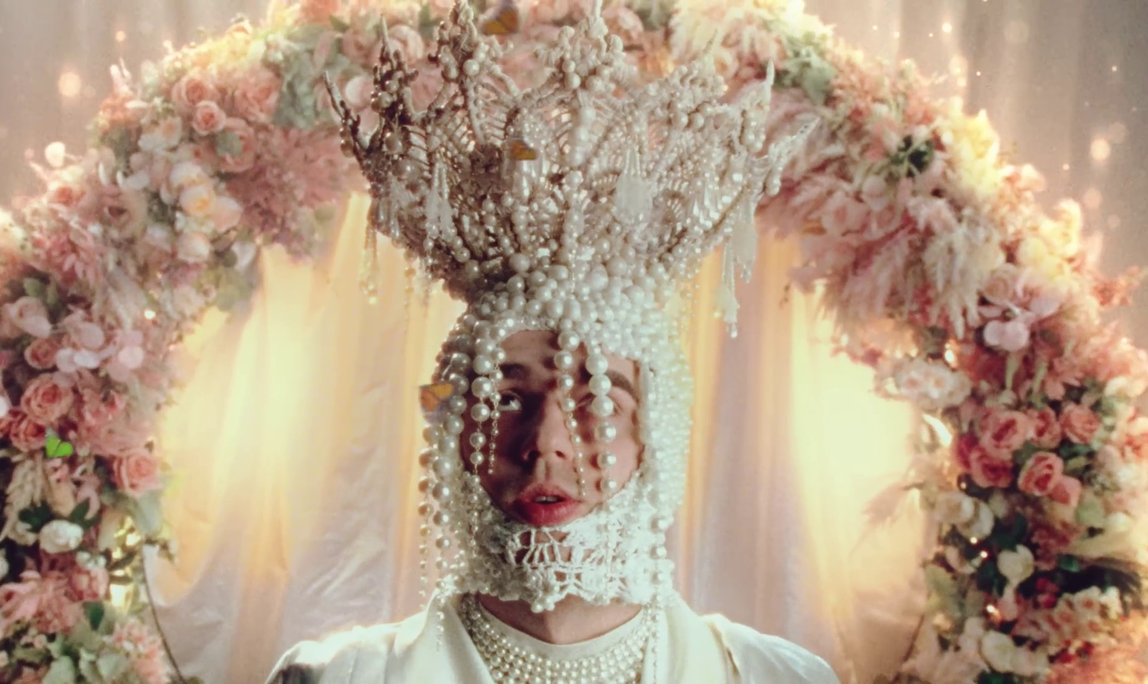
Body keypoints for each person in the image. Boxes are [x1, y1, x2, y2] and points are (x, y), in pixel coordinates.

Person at [268, 1, 839, 681]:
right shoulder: (335, 678)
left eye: (596, 398)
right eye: (507, 399)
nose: (545, 442)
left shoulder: (776, 677)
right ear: (454, 431)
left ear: (654, 435)